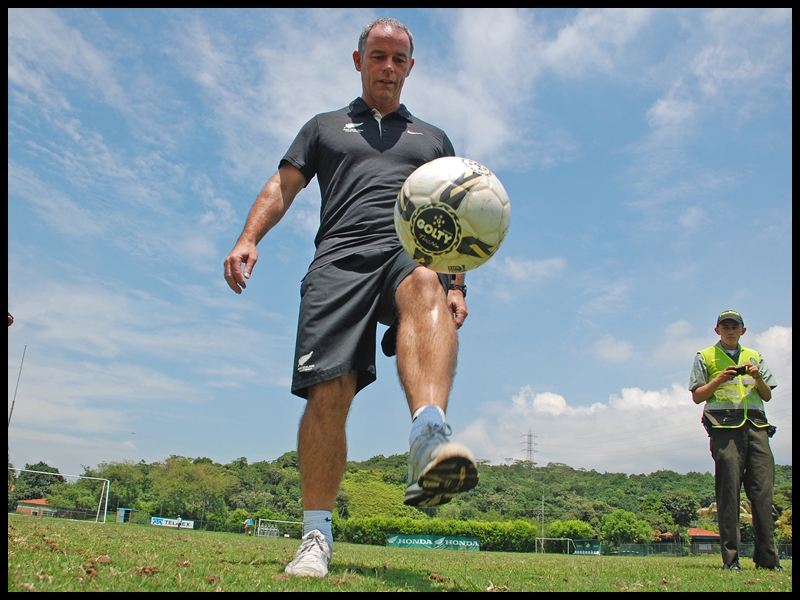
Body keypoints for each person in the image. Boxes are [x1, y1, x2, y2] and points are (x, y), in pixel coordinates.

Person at [223, 18, 478, 578]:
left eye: (399, 59)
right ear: (358, 60)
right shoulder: (323, 127)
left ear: (411, 67)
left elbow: (452, 215)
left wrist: (457, 284)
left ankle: (428, 434)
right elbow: (283, 185)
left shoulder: (433, 140)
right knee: (329, 394)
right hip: (338, 261)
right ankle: (315, 536)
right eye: (378, 56)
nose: (388, 67)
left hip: (406, 252)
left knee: (426, 283)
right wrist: (248, 238)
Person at [689, 310, 783, 572]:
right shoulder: (705, 356)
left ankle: (768, 560)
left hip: (757, 428)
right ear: (717, 330)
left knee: (763, 494)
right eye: (725, 327)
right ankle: (731, 560)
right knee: (729, 493)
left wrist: (757, 376)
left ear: (743, 330)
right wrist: (720, 378)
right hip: (724, 429)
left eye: (735, 327)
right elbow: (697, 396)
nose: (730, 331)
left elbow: (767, 395)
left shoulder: (755, 356)